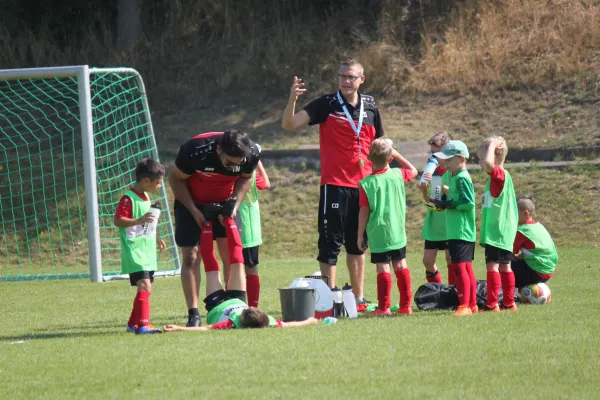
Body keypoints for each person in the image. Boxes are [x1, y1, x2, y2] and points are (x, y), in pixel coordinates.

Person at [282, 58, 403, 310]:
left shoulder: (370, 105)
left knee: (358, 245)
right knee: (329, 246)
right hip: (335, 185)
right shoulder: (326, 104)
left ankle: (358, 299)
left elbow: (381, 145)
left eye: (352, 77)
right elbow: (289, 124)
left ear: (362, 79)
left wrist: (397, 169)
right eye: (342, 77)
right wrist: (292, 99)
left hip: (365, 187)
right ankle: (328, 299)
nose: (346, 81)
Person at [168, 130, 261, 327]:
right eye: (229, 163)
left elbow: (247, 177)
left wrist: (234, 205)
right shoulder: (195, 150)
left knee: (229, 254)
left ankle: (230, 306)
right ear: (219, 150)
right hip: (191, 203)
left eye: (239, 163)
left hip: (224, 203)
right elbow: (174, 177)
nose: (235, 167)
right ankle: (193, 313)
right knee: (192, 256)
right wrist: (194, 211)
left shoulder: (251, 152)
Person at [163, 257, 318, 332]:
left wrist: (179, 328)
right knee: (237, 261)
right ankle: (229, 221)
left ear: (242, 320)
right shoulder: (268, 321)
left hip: (217, 305)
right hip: (238, 299)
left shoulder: (232, 323)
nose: (250, 306)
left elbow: (206, 328)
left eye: (247, 310)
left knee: (211, 267)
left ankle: (206, 226)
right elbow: (290, 324)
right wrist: (310, 321)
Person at [357, 139, 418, 316]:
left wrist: (360, 235)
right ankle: (406, 306)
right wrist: (398, 154)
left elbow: (364, 211)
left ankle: (384, 308)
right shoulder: (398, 174)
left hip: (378, 232)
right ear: (390, 159)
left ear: (369, 158)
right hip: (397, 230)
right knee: (401, 265)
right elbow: (413, 170)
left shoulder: (366, 183)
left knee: (383, 267)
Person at [114, 158, 167, 334]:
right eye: (158, 183)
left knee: (146, 286)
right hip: (134, 250)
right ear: (146, 181)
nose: (159, 186)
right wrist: (138, 220)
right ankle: (143, 326)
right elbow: (118, 220)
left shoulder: (146, 197)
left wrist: (158, 237)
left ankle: (132, 324)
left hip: (147, 251)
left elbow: (149, 222)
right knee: (145, 285)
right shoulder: (128, 199)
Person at [430, 140, 478, 316]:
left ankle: (464, 305)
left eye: (449, 160)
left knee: (459, 268)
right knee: (466, 267)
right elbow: (459, 196)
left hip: (461, 230)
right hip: (459, 230)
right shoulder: (455, 177)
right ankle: (472, 305)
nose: (446, 163)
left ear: (461, 159)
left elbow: (467, 202)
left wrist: (447, 204)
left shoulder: (461, 178)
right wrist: (444, 197)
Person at [477, 137, 519, 312]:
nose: (480, 163)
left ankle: (492, 303)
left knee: (493, 266)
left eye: (481, 158)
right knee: (505, 266)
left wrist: (492, 144)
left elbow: (488, 164)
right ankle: (510, 303)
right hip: (505, 231)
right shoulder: (502, 177)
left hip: (496, 230)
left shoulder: (498, 175)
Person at [418, 131, 454, 285]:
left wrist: (442, 185)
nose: (433, 157)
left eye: (437, 153)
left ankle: (454, 291)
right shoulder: (435, 172)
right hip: (435, 223)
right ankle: (437, 290)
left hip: (450, 222)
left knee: (451, 259)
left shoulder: (454, 171)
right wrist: (424, 190)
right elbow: (434, 203)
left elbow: (457, 197)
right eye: (432, 153)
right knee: (427, 261)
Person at [234, 160, 270, 308]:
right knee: (250, 267)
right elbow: (266, 183)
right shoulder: (251, 172)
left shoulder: (230, 170)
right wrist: (259, 164)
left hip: (238, 223)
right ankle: (252, 305)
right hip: (248, 225)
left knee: (235, 267)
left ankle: (239, 304)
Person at [512, 195, 558, 288]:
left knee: (502, 262)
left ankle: (508, 294)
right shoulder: (539, 227)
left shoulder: (522, 231)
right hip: (548, 272)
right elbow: (536, 252)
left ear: (526, 213)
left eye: (514, 212)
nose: (512, 216)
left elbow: (509, 252)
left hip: (536, 272)